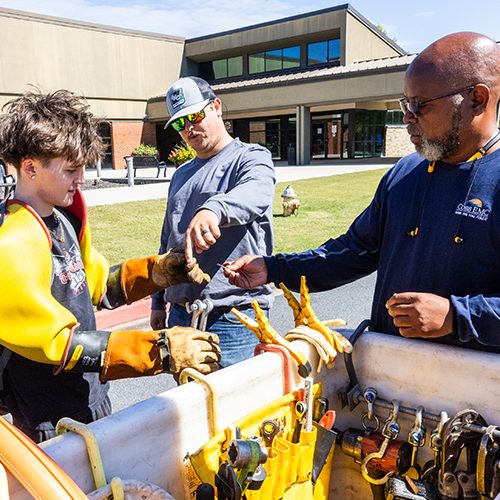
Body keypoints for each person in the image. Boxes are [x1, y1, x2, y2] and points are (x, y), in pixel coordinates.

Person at [225, 32, 500, 353]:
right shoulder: (404, 173)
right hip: (386, 376)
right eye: (405, 104)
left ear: (477, 99)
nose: (407, 117)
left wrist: (457, 316)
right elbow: (353, 252)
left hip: (475, 391)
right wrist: (274, 269)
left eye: (419, 105)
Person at [0, 89, 220, 443]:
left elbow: (98, 286)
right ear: (30, 167)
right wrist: (159, 351)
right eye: (71, 169)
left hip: (91, 396)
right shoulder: (11, 244)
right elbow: (58, 343)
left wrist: (158, 271)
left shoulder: (63, 220)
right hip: (48, 418)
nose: (82, 179)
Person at [150, 77, 275, 367]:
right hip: (180, 315)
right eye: (181, 123)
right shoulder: (181, 175)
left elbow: (255, 193)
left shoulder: (251, 158)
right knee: (188, 405)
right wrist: (158, 301)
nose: (190, 128)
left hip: (235, 317)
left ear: (216, 107)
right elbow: (168, 239)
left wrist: (214, 209)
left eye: (195, 116)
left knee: (238, 407)